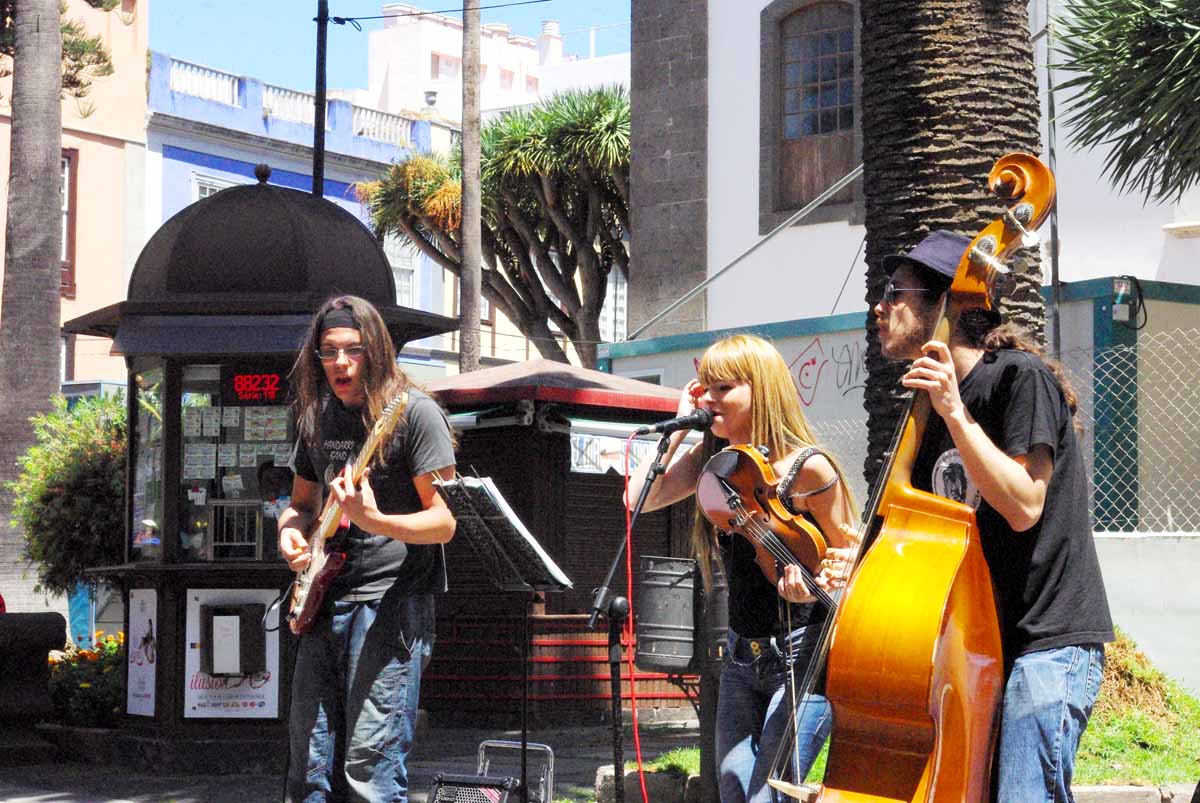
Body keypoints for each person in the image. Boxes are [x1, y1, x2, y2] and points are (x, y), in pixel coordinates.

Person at [874, 230, 1114, 803]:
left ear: (950, 304)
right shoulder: (924, 410)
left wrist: (955, 413)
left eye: (896, 291)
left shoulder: (1016, 379)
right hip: (979, 653)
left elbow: (1025, 504)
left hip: (1047, 643)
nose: (880, 306)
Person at [626, 333, 859, 803]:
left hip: (801, 654)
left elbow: (849, 561)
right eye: (704, 388)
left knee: (766, 797)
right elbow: (637, 499)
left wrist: (811, 590)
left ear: (762, 390)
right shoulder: (713, 464)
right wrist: (679, 425)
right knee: (733, 789)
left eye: (724, 388)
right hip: (739, 655)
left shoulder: (808, 468)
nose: (709, 399)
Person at [278, 295, 457, 803]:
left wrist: (373, 519)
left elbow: (444, 521)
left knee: (370, 771)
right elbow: (300, 504)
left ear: (375, 352)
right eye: (329, 351)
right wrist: (289, 533)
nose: (340, 363)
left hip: (391, 604)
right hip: (323, 599)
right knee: (308, 767)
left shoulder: (413, 415)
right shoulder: (316, 417)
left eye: (352, 350)